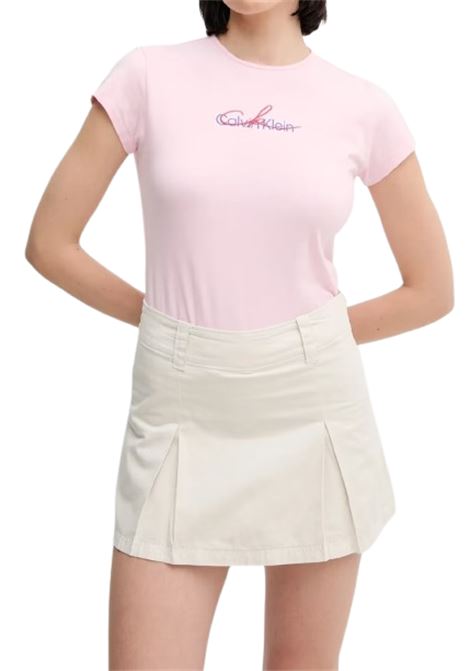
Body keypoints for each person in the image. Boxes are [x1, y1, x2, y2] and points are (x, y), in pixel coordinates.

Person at [25, 1, 454, 669]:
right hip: (180, 411)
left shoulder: (363, 106)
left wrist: (307, 340)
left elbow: (432, 288)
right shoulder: (146, 76)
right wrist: (166, 323)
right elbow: (50, 242)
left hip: (312, 413)